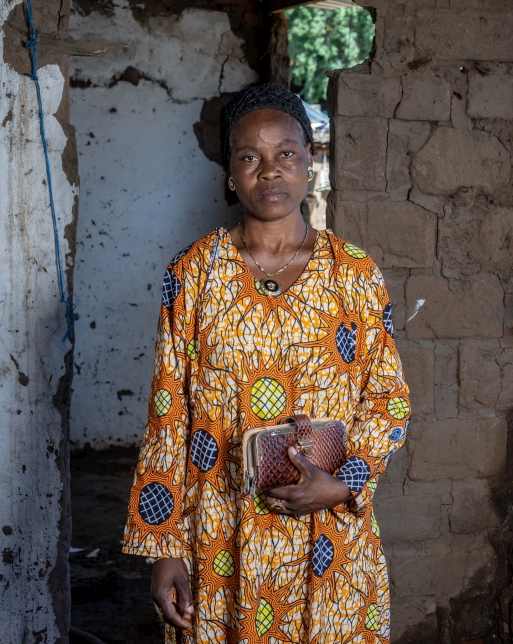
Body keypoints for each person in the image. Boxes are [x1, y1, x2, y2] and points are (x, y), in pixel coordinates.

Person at [122, 83, 411, 643]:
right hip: (221, 535)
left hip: (325, 536)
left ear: (309, 163)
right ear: (231, 173)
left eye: (286, 154)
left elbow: (388, 399)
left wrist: (344, 485)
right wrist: (162, 548)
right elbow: (168, 415)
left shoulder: (354, 273)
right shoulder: (193, 274)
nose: (270, 171)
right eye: (250, 157)